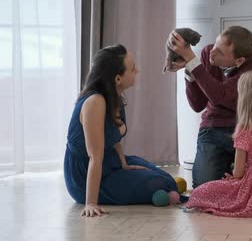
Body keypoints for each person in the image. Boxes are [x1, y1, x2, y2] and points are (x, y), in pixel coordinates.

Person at [64, 44, 177, 217]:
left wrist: (123, 162)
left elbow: (113, 137)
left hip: (110, 161)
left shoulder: (114, 96)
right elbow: (95, 157)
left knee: (166, 179)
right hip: (86, 174)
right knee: (159, 182)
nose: (137, 70)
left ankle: (143, 186)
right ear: (117, 78)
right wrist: (91, 203)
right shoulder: (95, 102)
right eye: (132, 69)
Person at [166, 26, 252, 188]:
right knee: (203, 186)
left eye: (220, 52)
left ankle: (237, 171)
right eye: (215, 45)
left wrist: (194, 63)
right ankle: (231, 169)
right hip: (214, 130)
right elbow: (197, 104)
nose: (212, 52)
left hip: (248, 131)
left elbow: (221, 96)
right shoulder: (208, 53)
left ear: (239, 61)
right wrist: (189, 71)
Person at [184, 69, 252, 217]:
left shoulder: (246, 128)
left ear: (245, 98)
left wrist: (234, 177)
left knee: (202, 191)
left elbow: (238, 173)